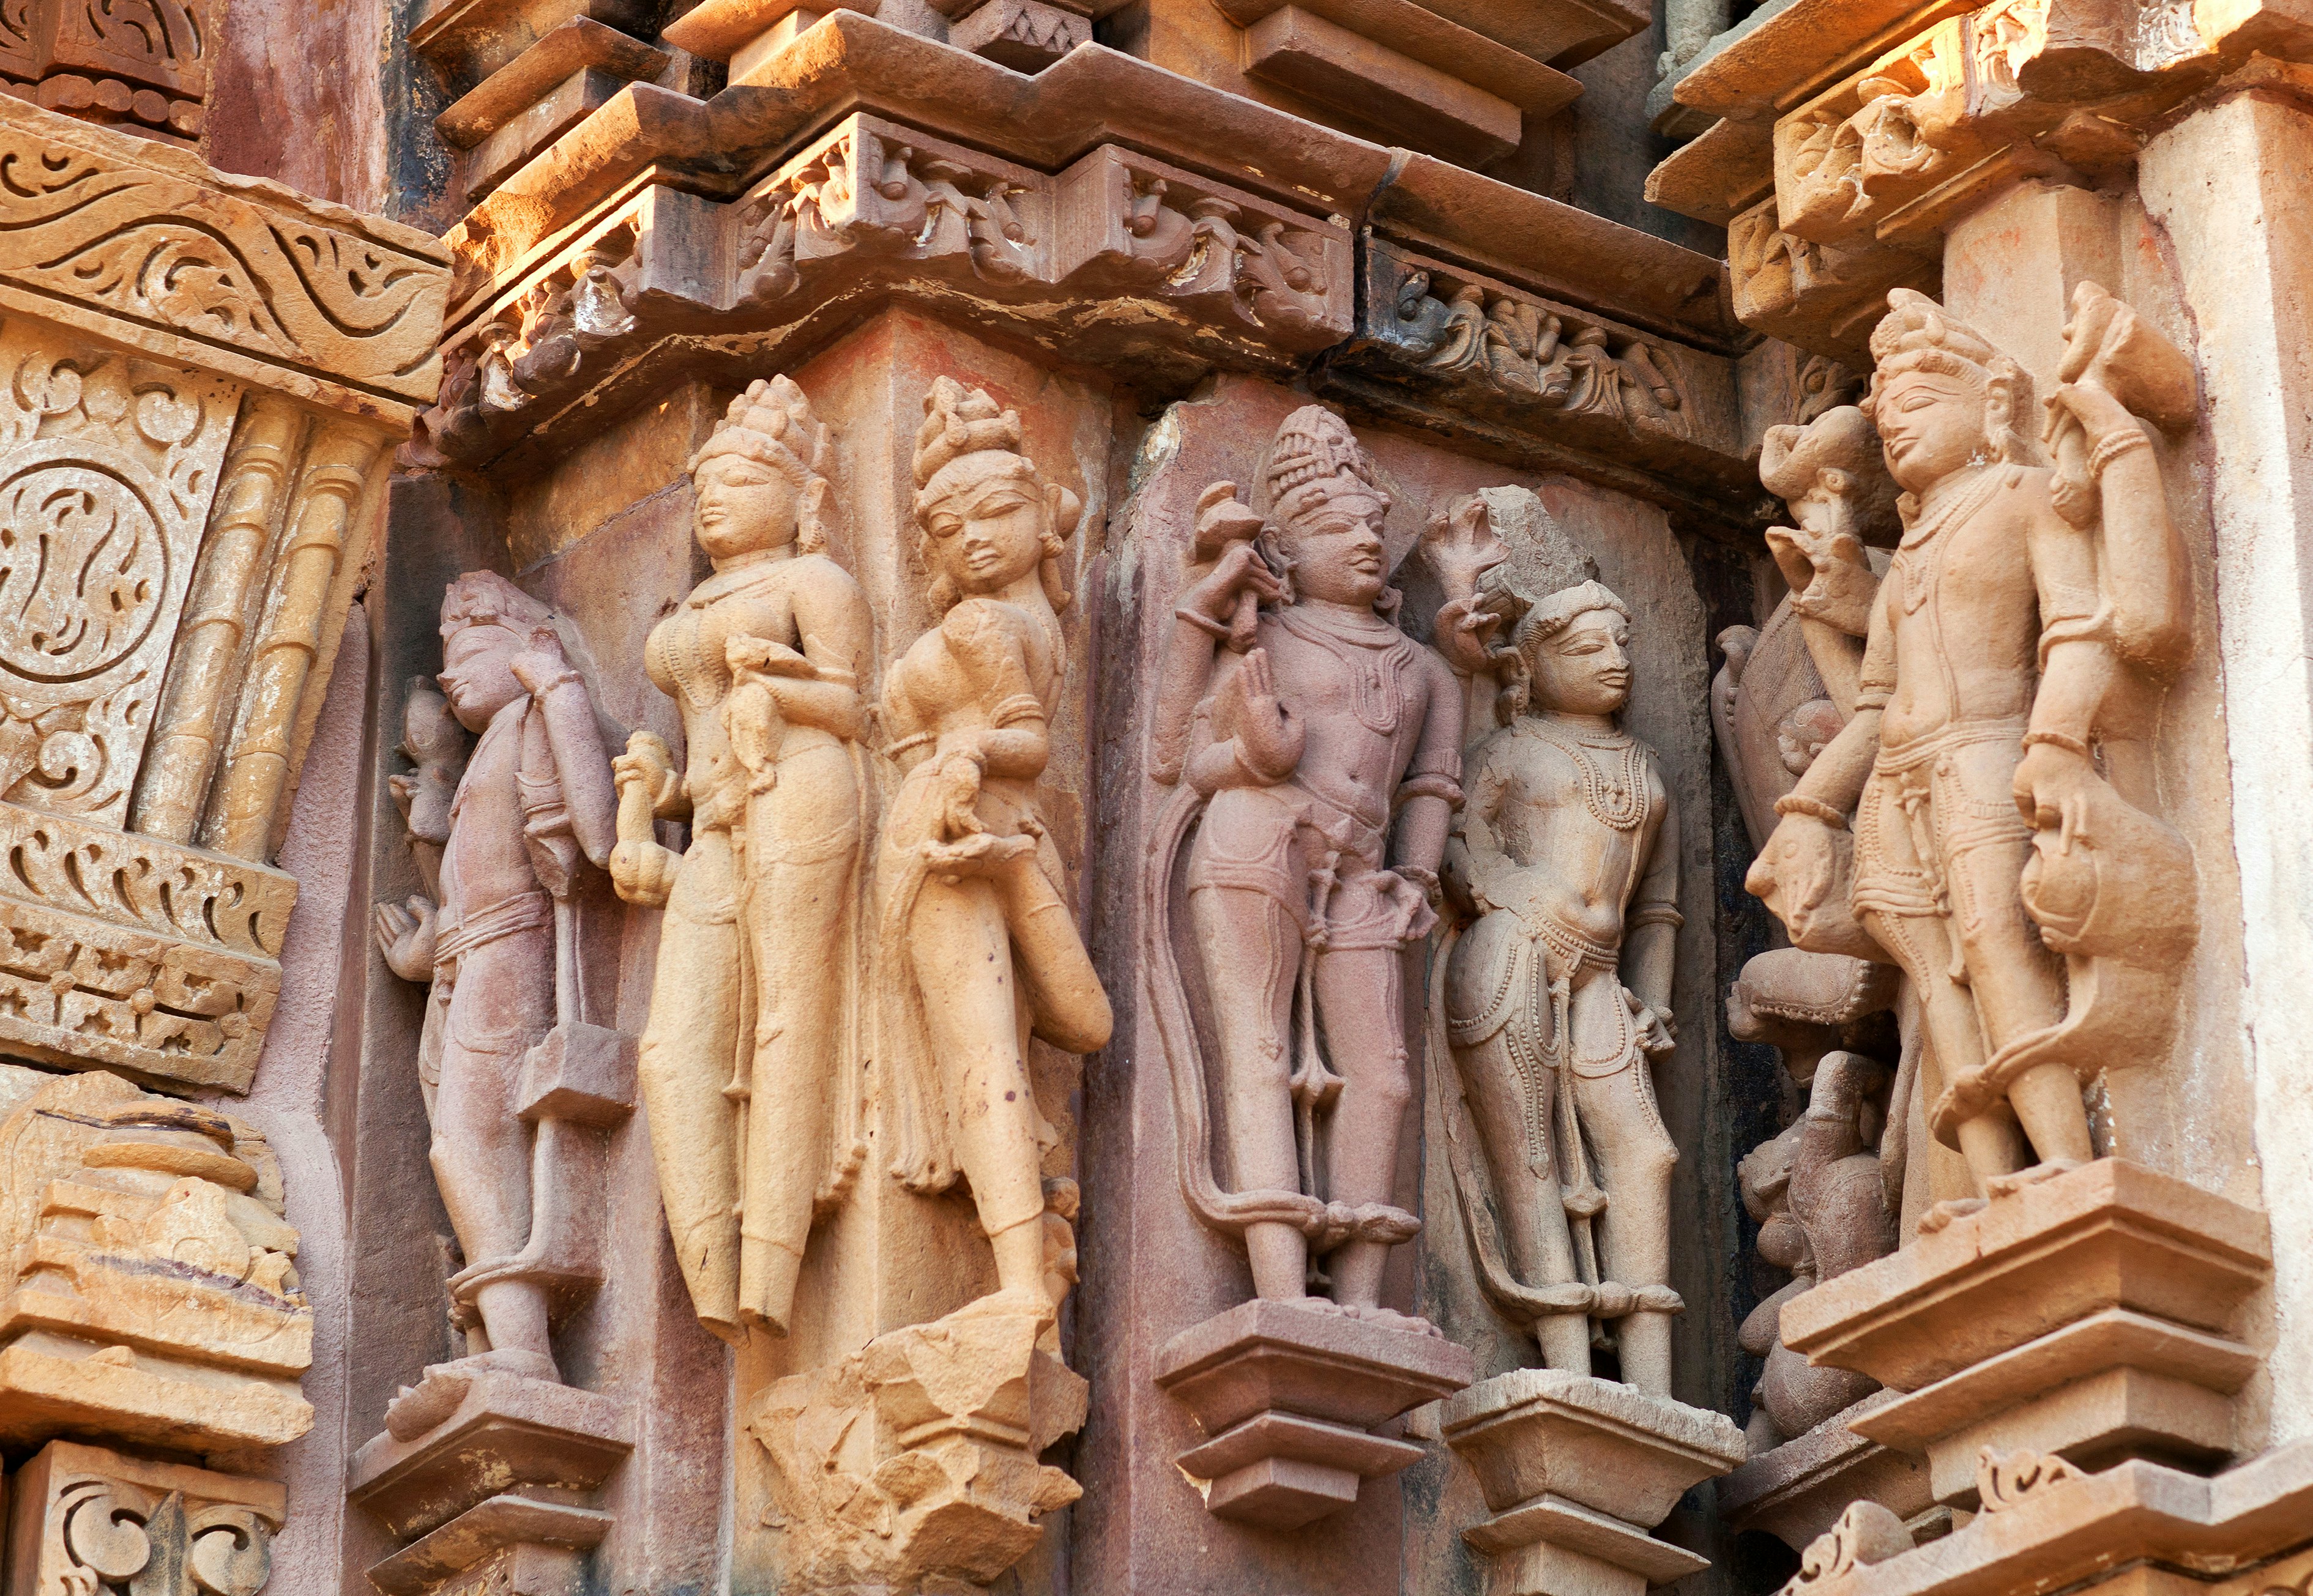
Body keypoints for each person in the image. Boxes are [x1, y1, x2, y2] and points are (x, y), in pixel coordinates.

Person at [609, 377, 873, 1342]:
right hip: (721, 818)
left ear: (805, 497)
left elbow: (855, 708)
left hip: (802, 789)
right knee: (672, 1048)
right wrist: (663, 788)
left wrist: (779, 693)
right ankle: (713, 1276)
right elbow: (705, 739)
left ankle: (772, 1266)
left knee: (787, 1014)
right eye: (706, 483)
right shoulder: (701, 599)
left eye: (743, 479)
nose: (715, 498)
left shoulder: (815, 583)